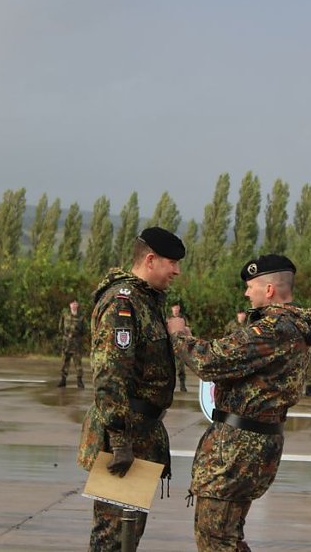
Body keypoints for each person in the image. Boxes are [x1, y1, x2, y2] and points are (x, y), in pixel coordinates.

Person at [168, 254, 311, 551]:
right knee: (229, 535)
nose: (246, 293)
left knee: (215, 537)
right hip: (255, 442)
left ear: (269, 290)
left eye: (251, 286)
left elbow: (210, 361)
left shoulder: (275, 329)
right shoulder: (291, 326)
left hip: (239, 447)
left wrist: (178, 335)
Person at [77, 227, 185, 552]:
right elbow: (110, 374)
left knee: (128, 536)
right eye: (172, 263)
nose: (177, 271)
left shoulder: (146, 301)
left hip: (141, 433)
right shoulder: (123, 303)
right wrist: (120, 441)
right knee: (113, 539)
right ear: (150, 260)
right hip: (125, 437)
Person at [58, 299, 87, 388]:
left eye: (75, 304)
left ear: (77, 305)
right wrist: (65, 336)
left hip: (76, 343)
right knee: (64, 362)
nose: (74, 305)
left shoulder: (81, 317)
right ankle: (63, 380)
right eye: (72, 304)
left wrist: (77, 336)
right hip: (66, 343)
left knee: (78, 363)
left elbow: (84, 330)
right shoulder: (65, 315)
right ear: (70, 305)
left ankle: (79, 380)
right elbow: (60, 327)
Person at [167, 302, 190, 392]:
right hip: (170, 344)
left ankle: (182, 384)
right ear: (172, 309)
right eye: (174, 308)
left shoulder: (183, 318)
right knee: (169, 367)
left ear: (179, 308)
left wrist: (189, 339)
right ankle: (170, 386)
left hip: (181, 344)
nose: (176, 309)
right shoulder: (168, 318)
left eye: (177, 308)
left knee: (181, 366)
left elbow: (187, 330)